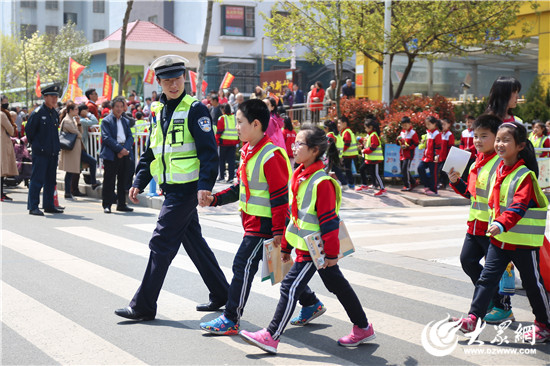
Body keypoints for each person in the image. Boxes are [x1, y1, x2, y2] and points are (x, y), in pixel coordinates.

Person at [239, 125, 375, 354]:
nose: (294, 148)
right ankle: (363, 327)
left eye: (299, 144)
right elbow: (296, 217)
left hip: (317, 249)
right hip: (305, 246)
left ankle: (271, 335)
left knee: (290, 287)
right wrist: (286, 247)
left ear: (313, 150)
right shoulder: (300, 175)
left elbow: (329, 222)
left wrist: (331, 255)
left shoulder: (322, 182)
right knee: (337, 285)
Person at [114, 54, 229, 321]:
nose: (173, 85)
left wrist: (205, 186)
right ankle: (222, 293)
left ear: (185, 79)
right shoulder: (157, 110)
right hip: (171, 188)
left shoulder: (195, 109)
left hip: (186, 190)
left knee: (161, 242)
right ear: (159, 83)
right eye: (167, 81)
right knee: (194, 243)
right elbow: (152, 151)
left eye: (177, 80)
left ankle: (143, 306)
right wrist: (138, 181)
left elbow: (209, 152)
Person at [199, 99, 291, 336]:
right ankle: (311, 302)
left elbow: (281, 199)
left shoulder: (271, 155)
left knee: (242, 265)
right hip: (252, 222)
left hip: (265, 225)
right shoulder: (248, 150)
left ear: (257, 124)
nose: (236, 127)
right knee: (279, 268)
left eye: (240, 122)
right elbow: (241, 189)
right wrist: (215, 200)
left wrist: (279, 232)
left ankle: (231, 317)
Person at [452, 121, 550, 343]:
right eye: (498, 139)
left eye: (506, 140)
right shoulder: (498, 171)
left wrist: (502, 223)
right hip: (499, 239)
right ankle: (473, 318)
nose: (500, 144)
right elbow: (483, 198)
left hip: (522, 242)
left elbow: (519, 205)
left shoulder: (524, 175)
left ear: (520, 146)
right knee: (486, 279)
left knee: (533, 285)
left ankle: (544, 324)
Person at [449, 114, 515, 324]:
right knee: (467, 261)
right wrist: (456, 182)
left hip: (493, 228)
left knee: (495, 272)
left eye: (484, 136)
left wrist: (501, 223)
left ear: (497, 138)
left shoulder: (500, 163)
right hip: (475, 225)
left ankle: (503, 308)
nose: (477, 140)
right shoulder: (477, 161)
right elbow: (472, 194)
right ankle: (488, 299)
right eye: (476, 135)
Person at [25, 84, 63, 216]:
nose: (54, 99)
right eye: (52, 96)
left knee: (51, 180)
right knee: (37, 180)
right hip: (41, 153)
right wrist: (38, 147)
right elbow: (29, 132)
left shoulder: (54, 113)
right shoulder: (37, 113)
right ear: (45, 97)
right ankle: (33, 206)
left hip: (52, 152)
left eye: (56, 96)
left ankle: (49, 205)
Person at [100, 96, 134, 213]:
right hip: (111, 153)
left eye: (121, 106)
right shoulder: (106, 121)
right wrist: (119, 149)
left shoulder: (125, 120)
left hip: (124, 152)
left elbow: (130, 136)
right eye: (117, 107)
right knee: (109, 180)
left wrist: (125, 149)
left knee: (123, 179)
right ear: (112, 107)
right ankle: (107, 204)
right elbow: (106, 138)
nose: (119, 109)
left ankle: (121, 203)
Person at [356, 117, 386, 196]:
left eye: (365, 128)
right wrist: (362, 146)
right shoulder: (370, 135)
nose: (365, 129)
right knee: (363, 169)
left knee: (376, 174)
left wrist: (364, 151)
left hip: (374, 159)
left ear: (370, 127)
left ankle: (382, 189)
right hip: (370, 159)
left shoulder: (373, 135)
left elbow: (373, 147)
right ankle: (365, 185)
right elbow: (368, 145)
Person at [417, 116, 442, 196]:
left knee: (433, 174)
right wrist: (423, 142)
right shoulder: (427, 133)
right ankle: (427, 186)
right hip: (426, 157)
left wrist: (436, 155)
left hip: (433, 157)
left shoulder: (437, 134)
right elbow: (426, 145)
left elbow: (438, 146)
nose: (427, 126)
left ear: (434, 124)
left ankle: (434, 190)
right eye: (426, 124)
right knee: (420, 168)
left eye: (429, 124)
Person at [215, 103, 239, 182]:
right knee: (231, 161)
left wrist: (216, 141)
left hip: (223, 143)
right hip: (233, 143)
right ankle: (231, 178)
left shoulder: (222, 118)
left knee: (221, 160)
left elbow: (219, 131)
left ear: (223, 110)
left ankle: (221, 177)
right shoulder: (235, 118)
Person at [1, 95, 18, 201]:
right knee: (2, 170)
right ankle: (1, 194)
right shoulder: (2, 114)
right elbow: (11, 130)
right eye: (5, 102)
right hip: (2, 144)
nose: (6, 104)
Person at [323, 120, 348, 188]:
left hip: (331, 155)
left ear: (327, 128)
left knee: (326, 169)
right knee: (336, 170)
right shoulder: (337, 135)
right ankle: (344, 184)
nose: (324, 129)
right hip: (337, 155)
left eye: (324, 127)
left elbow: (327, 146)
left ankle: (324, 184)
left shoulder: (330, 135)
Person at [397, 117, 419, 191]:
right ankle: (413, 182)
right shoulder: (402, 132)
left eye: (406, 125)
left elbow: (416, 143)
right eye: (403, 126)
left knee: (405, 169)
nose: (404, 127)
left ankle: (408, 186)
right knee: (404, 170)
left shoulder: (413, 133)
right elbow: (398, 143)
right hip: (402, 154)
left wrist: (408, 147)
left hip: (409, 154)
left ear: (410, 124)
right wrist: (398, 140)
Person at [338, 116, 358, 189]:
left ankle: (350, 183)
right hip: (349, 154)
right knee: (348, 169)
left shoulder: (346, 132)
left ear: (345, 123)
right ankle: (350, 183)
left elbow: (347, 143)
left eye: (340, 123)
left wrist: (341, 151)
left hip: (348, 154)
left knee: (347, 169)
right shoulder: (346, 131)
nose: (338, 124)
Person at [438, 118, 455, 190]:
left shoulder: (449, 134)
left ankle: (443, 183)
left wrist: (449, 156)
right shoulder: (440, 134)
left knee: (443, 170)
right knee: (439, 170)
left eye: (444, 124)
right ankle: (441, 183)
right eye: (441, 124)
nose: (442, 126)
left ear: (449, 125)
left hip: (446, 156)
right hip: (440, 156)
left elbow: (450, 147)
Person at [459, 115, 477, 182]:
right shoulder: (464, 132)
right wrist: (462, 149)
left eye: (471, 122)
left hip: (472, 155)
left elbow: (475, 143)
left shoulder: (475, 132)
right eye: (468, 122)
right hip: (464, 155)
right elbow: (461, 143)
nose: (469, 124)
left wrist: (470, 148)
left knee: (471, 169)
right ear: (466, 123)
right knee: (464, 170)